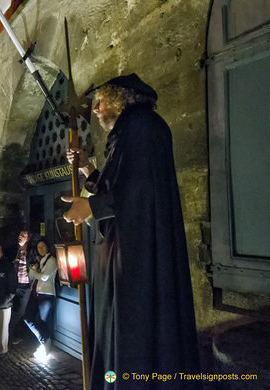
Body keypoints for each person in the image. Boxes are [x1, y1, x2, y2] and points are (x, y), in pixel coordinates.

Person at [62, 73, 200, 389]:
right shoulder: (131, 130)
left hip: (139, 260)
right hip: (127, 254)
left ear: (122, 98)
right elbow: (119, 185)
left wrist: (90, 208)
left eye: (101, 101)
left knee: (134, 336)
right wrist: (86, 168)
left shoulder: (140, 128)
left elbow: (138, 192)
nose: (96, 109)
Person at [25, 239, 58, 359]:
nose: (41, 249)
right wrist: (33, 272)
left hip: (47, 294)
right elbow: (31, 276)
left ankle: (44, 346)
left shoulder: (52, 261)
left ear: (47, 247)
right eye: (39, 247)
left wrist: (34, 273)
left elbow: (44, 278)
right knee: (28, 317)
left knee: (43, 322)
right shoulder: (41, 261)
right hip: (37, 294)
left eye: (43, 246)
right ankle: (44, 341)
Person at [8, 230, 33, 344]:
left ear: (27, 239)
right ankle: (10, 335)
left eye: (23, 236)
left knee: (20, 312)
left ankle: (11, 334)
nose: (20, 237)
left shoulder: (30, 251)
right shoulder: (14, 250)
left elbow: (32, 264)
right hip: (14, 284)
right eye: (19, 235)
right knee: (11, 310)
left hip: (25, 285)